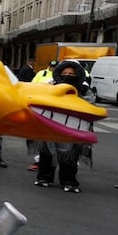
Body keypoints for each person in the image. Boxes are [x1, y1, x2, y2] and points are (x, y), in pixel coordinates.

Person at [32, 60, 95, 193]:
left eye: (71, 73)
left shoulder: (83, 89)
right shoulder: (51, 86)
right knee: (47, 152)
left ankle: (69, 181)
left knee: (70, 155)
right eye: (64, 73)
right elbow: (40, 98)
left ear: (77, 74)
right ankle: (44, 178)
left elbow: (91, 104)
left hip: (73, 126)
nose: (67, 75)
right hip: (51, 124)